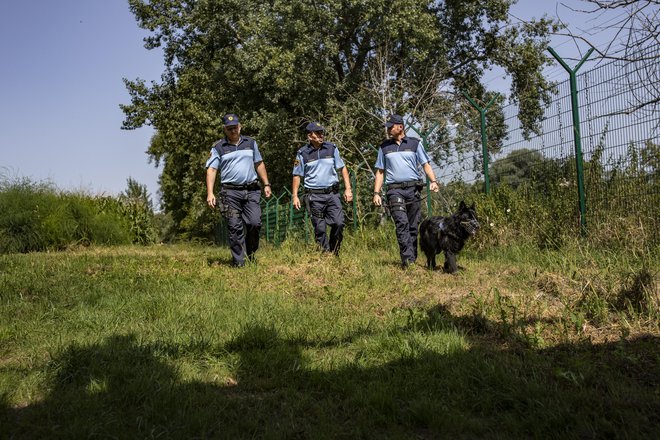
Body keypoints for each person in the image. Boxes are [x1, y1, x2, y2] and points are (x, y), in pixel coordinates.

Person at [373, 114, 439, 268]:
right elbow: (380, 172)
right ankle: (408, 261)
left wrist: (433, 181)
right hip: (394, 191)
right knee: (401, 223)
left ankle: (412, 258)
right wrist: (376, 193)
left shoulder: (415, 144)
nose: (389, 129)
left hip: (413, 189)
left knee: (412, 226)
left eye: (391, 126)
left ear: (400, 127)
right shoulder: (384, 147)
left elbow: (426, 164)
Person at [206, 114, 272, 267]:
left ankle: (251, 255)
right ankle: (239, 263)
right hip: (230, 193)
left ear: (240, 126)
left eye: (235, 127)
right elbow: (211, 170)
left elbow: (259, 163)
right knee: (235, 227)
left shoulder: (251, 143)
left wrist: (266, 184)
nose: (233, 131)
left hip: (251, 191)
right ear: (225, 129)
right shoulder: (218, 147)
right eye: (229, 129)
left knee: (254, 223)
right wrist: (210, 192)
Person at [292, 121, 353, 255]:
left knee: (338, 223)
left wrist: (348, 189)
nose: (321, 135)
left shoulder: (332, 148)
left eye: (322, 132)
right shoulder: (302, 153)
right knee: (320, 229)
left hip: (332, 194)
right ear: (309, 136)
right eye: (318, 133)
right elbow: (297, 175)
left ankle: (334, 250)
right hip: (314, 197)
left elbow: (342, 168)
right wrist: (295, 196)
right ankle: (325, 256)